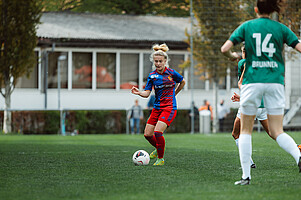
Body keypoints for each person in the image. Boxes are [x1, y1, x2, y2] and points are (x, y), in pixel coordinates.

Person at [221, 0, 301, 185]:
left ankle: (246, 176)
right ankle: (298, 156)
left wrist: (232, 56)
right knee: (277, 131)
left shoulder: (247, 26)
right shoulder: (280, 28)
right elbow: (298, 46)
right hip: (275, 83)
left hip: (252, 82)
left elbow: (225, 49)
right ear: (273, 10)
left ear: (255, 9)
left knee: (245, 132)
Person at [131, 43, 186, 166]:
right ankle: (158, 147)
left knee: (157, 133)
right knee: (147, 134)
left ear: (165, 61)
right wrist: (139, 92)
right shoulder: (152, 76)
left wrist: (175, 93)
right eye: (156, 61)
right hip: (157, 108)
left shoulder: (171, 73)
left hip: (169, 108)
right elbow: (147, 93)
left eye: (160, 61)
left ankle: (160, 159)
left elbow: (182, 82)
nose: (158, 63)